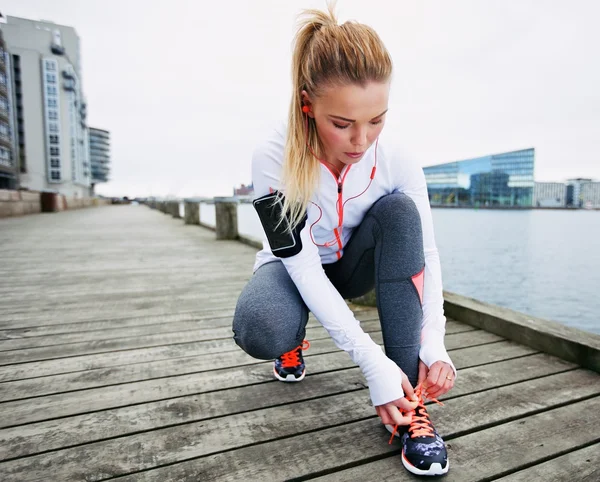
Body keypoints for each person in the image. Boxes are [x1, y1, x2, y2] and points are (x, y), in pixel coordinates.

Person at [233, 3, 456, 477]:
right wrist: (369, 364)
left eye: (376, 119)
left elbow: (427, 255)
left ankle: (409, 404)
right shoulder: (270, 158)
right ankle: (291, 339)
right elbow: (303, 266)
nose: (361, 141)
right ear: (306, 105)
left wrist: (433, 342)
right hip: (293, 271)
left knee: (400, 212)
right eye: (342, 123)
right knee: (260, 327)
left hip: (354, 267)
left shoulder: (396, 156)